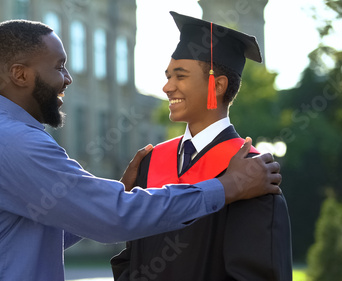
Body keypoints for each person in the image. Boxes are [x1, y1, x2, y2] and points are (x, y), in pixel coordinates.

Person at [0, 19, 282, 281]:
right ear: (20, 75)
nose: (67, 78)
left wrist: (120, 191)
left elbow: (30, 234)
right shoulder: (14, 143)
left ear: (216, 86)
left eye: (181, 75)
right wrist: (229, 187)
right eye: (58, 67)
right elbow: (114, 219)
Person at [110, 12, 292, 281]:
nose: (167, 87)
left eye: (179, 76)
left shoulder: (253, 173)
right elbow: (130, 258)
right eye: (168, 76)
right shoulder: (151, 162)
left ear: (217, 85)